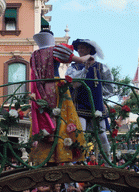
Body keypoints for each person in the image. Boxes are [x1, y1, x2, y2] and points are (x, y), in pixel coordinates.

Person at [29, 30, 92, 165]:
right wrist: (89, 57)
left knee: (45, 117)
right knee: (62, 117)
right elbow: (80, 60)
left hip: (40, 90)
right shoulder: (55, 50)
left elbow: (33, 76)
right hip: (56, 88)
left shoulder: (34, 55)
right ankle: (62, 153)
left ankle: (47, 154)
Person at [65, 39, 114, 162]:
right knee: (78, 132)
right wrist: (85, 68)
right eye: (79, 48)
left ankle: (108, 161)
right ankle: (75, 161)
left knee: (102, 135)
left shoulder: (101, 67)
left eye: (82, 48)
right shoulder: (73, 67)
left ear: (89, 50)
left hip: (96, 105)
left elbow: (110, 85)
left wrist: (100, 94)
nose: (79, 50)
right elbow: (71, 80)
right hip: (79, 104)